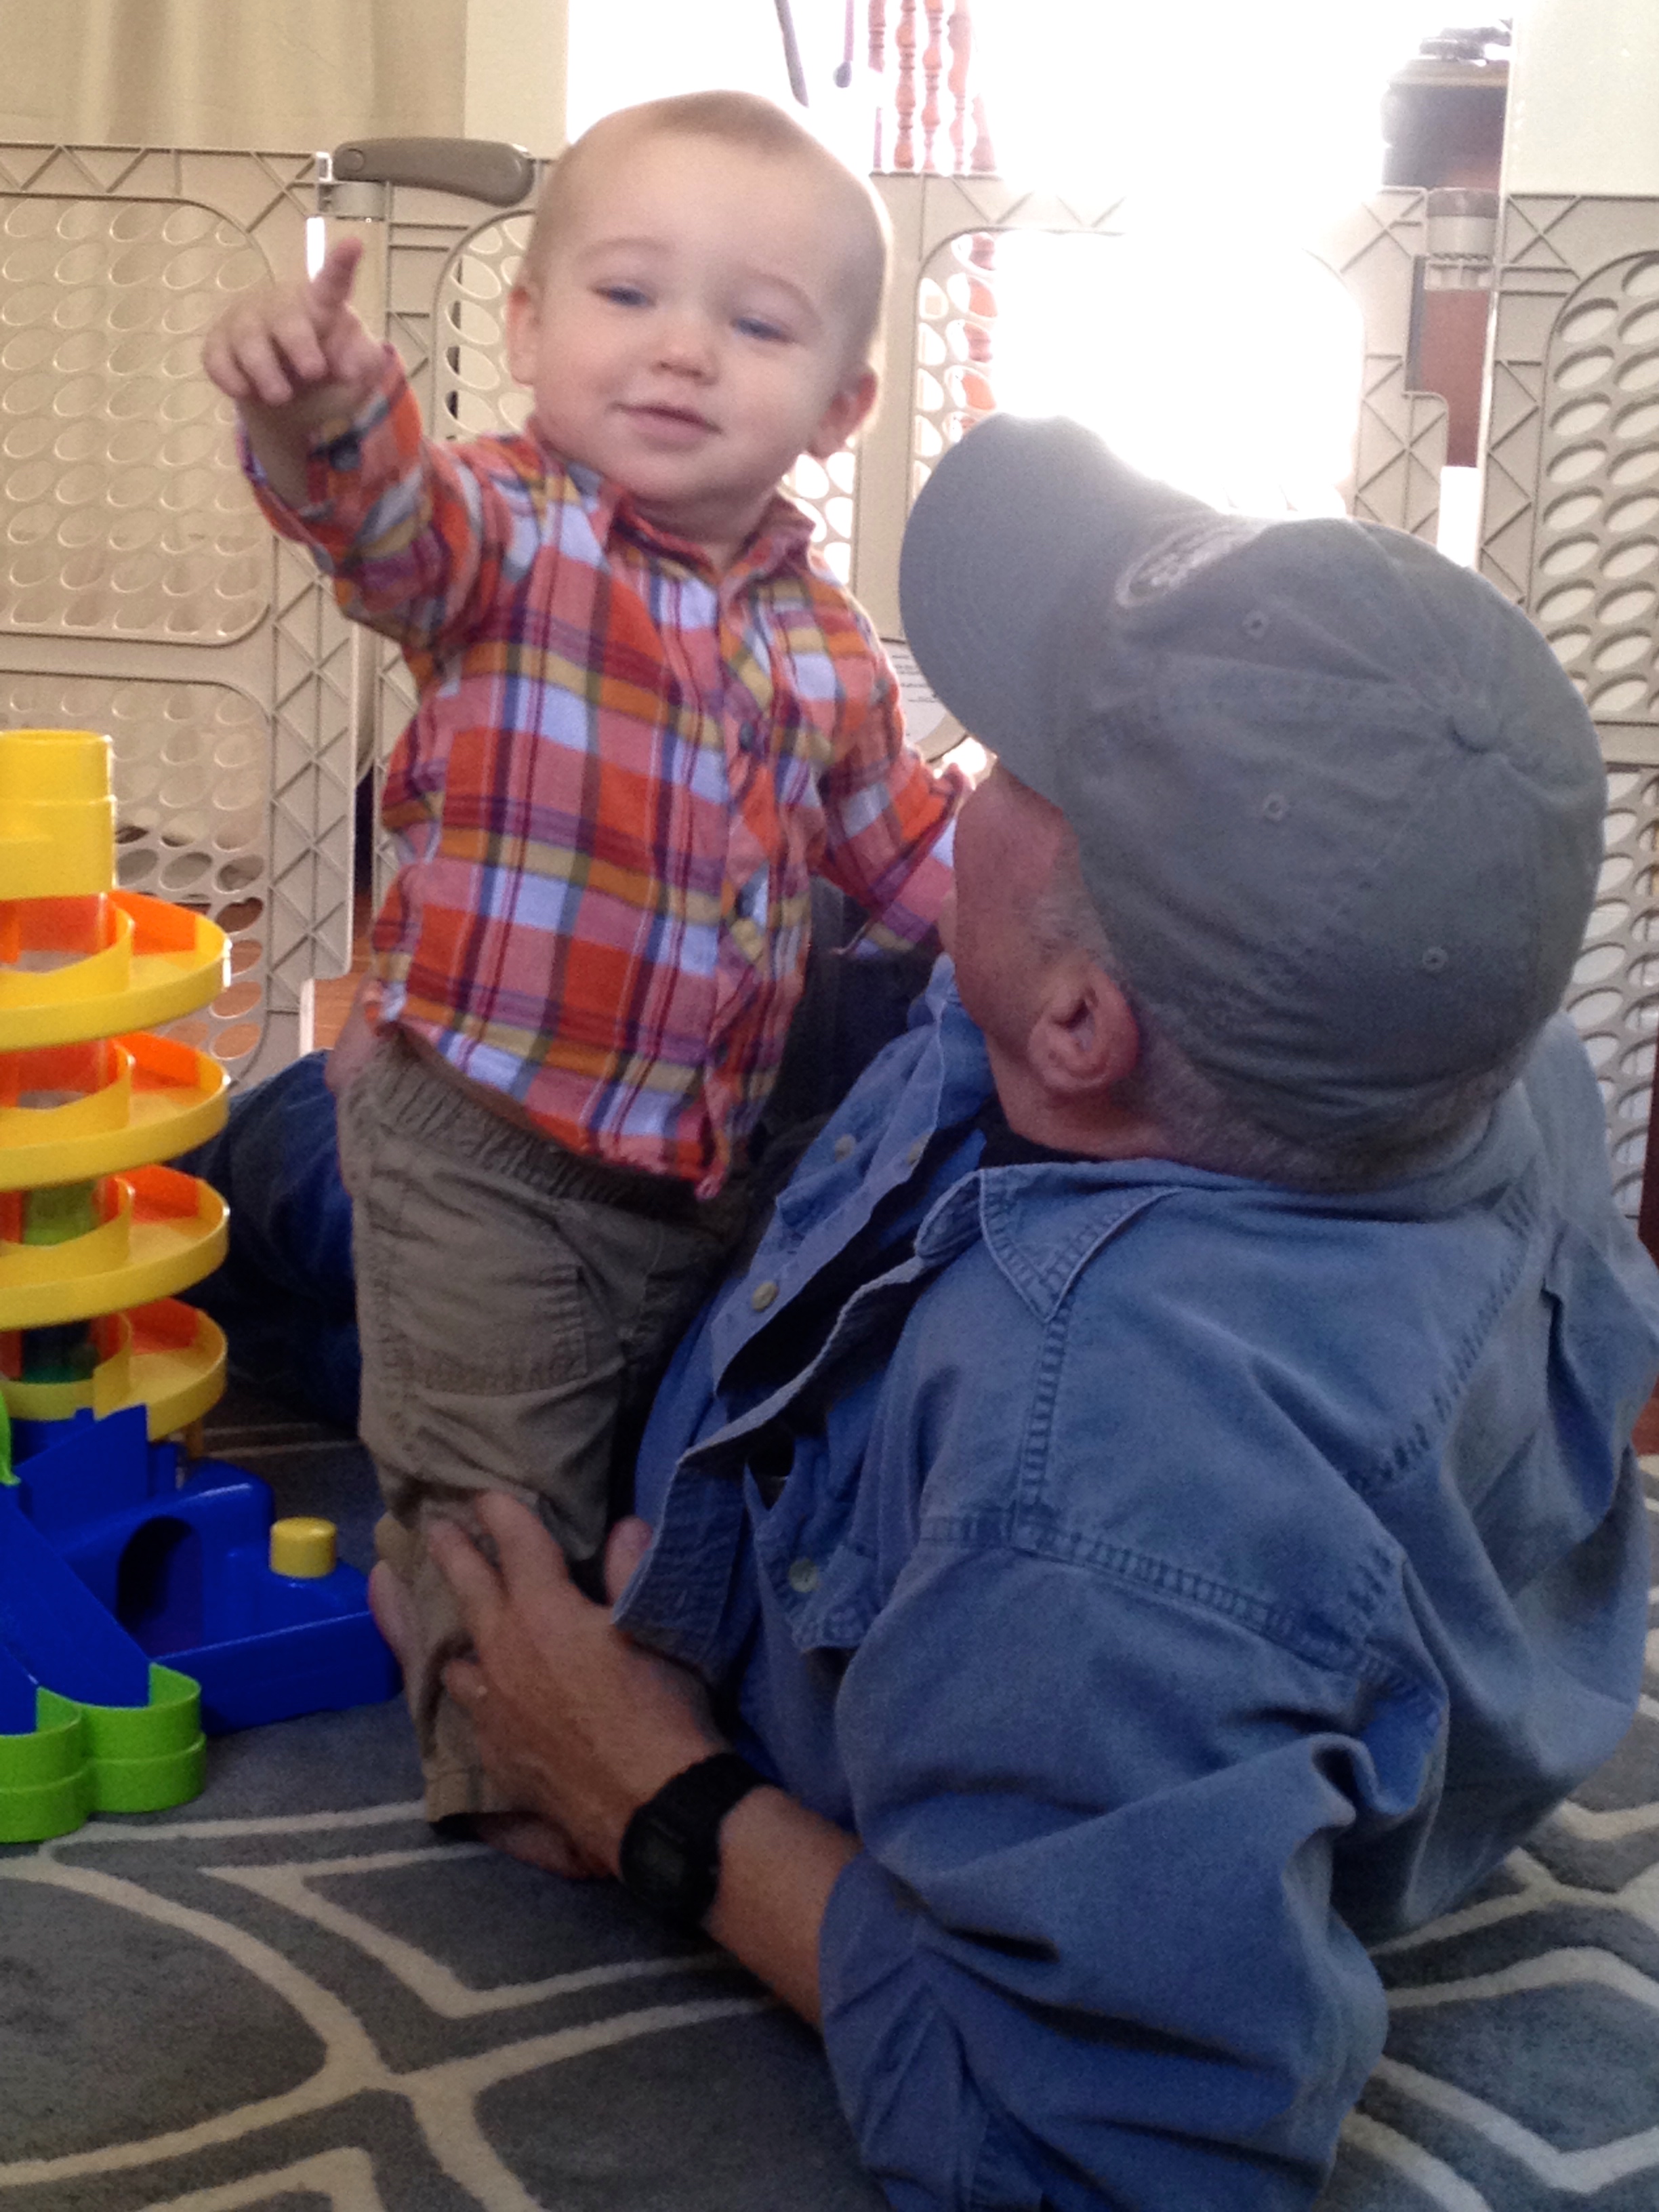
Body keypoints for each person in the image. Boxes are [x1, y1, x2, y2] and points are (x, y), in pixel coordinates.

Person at [394, 412, 1659, 2209]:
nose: (951, 768)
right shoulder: (1450, 1029)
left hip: (692, 1398)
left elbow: (1086, 2156)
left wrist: (645, 1788)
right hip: (863, 1216)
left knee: (324, 1188)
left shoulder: (1102, 1499)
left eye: (1003, 760)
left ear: (1080, 1028)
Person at [201, 91, 961, 1825]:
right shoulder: (508, 535)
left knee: (624, 1458)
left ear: (842, 405)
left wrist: (1053, 919)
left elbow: (907, 859)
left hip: (694, 1178)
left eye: (756, 324)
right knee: (501, 1506)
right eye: (629, 295)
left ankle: (405, 1487)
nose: (683, 350)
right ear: (529, 327)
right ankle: (512, 1782)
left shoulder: (827, 645)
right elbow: (381, 522)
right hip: (478, 1145)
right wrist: (322, 417)